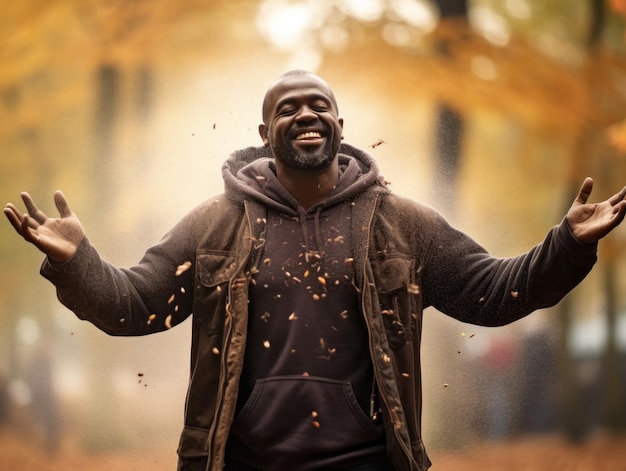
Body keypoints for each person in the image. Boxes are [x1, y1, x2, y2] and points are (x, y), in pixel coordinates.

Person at [4, 70, 626, 471]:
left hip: (370, 462)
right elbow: (136, 306)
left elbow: (492, 293)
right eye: (289, 107)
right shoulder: (212, 224)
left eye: (319, 105)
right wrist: (78, 262)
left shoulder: (403, 222)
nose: (306, 114)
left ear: (339, 125)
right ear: (264, 131)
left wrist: (565, 245)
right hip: (240, 461)